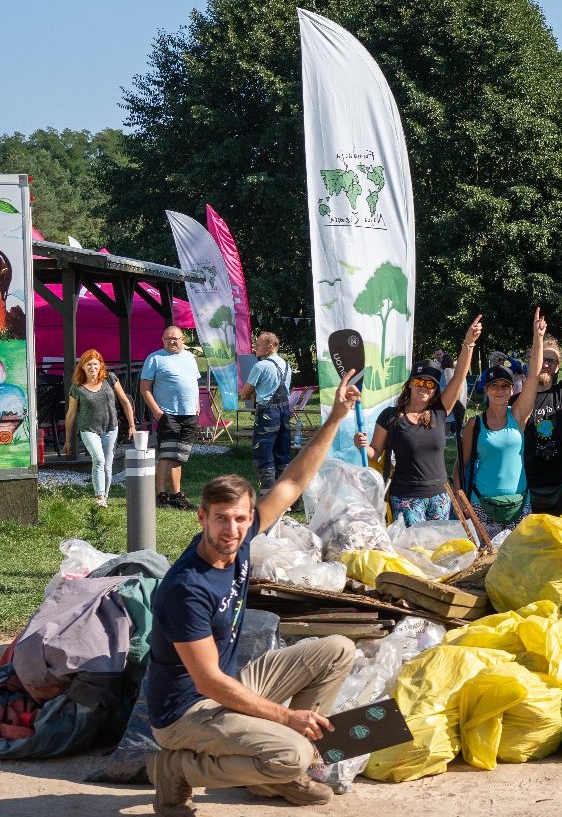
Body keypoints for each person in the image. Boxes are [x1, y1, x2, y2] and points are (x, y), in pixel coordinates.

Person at [145, 370, 363, 813]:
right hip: (184, 714)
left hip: (225, 687)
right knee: (293, 751)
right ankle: (177, 769)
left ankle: (274, 774)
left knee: (338, 649)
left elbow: (292, 483)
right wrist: (286, 718)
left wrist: (337, 417)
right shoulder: (187, 588)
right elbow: (207, 682)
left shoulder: (242, 539)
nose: (232, 529)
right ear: (201, 517)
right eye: (221, 518)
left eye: (241, 519)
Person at [356, 317, 480, 524]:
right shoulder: (390, 416)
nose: (424, 387)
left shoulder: (440, 411)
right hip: (406, 497)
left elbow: (459, 376)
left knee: (438, 552)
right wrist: (362, 446)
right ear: (410, 385)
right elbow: (375, 452)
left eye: (430, 384)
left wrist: (469, 343)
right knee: (414, 552)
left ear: (435, 390)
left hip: (440, 497)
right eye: (419, 382)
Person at [460, 309, 547, 534]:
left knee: (518, 565)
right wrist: (461, 502)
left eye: (504, 386)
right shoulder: (474, 425)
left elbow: (534, 376)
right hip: (481, 505)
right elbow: (461, 466)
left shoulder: (518, 415)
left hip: (519, 505)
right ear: (486, 390)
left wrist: (538, 339)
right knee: (483, 567)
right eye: (494, 386)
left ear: (511, 390)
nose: (499, 391)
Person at [519, 292, 562, 515]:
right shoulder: (517, 400)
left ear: (558, 366)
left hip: (559, 486)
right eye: (542, 359)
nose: (546, 364)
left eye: (552, 361)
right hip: (527, 485)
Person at [61, 349, 135, 507]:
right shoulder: (77, 387)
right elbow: (71, 414)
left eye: (95, 364)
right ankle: (100, 496)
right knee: (99, 460)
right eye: (88, 364)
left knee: (108, 465)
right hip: (88, 429)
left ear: (101, 365)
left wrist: (132, 425)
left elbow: (124, 401)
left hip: (110, 427)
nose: (92, 367)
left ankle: (104, 499)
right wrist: (68, 440)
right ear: (82, 367)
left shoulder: (110, 379)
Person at [141, 326, 202, 510]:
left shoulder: (190, 357)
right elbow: (144, 388)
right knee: (166, 455)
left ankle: (177, 496)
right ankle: (161, 495)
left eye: (175, 338)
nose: (172, 342)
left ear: (183, 339)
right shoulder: (155, 359)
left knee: (179, 457)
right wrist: (157, 412)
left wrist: (197, 404)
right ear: (163, 340)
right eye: (168, 339)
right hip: (168, 414)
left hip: (189, 413)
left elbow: (194, 383)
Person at [238, 332, 294, 492]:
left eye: (258, 343)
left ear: (270, 346)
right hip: (284, 410)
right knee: (282, 453)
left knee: (263, 453)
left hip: (267, 413)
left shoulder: (260, 366)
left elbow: (245, 393)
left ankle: (268, 494)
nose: (255, 346)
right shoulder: (286, 365)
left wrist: (252, 393)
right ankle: (288, 495)